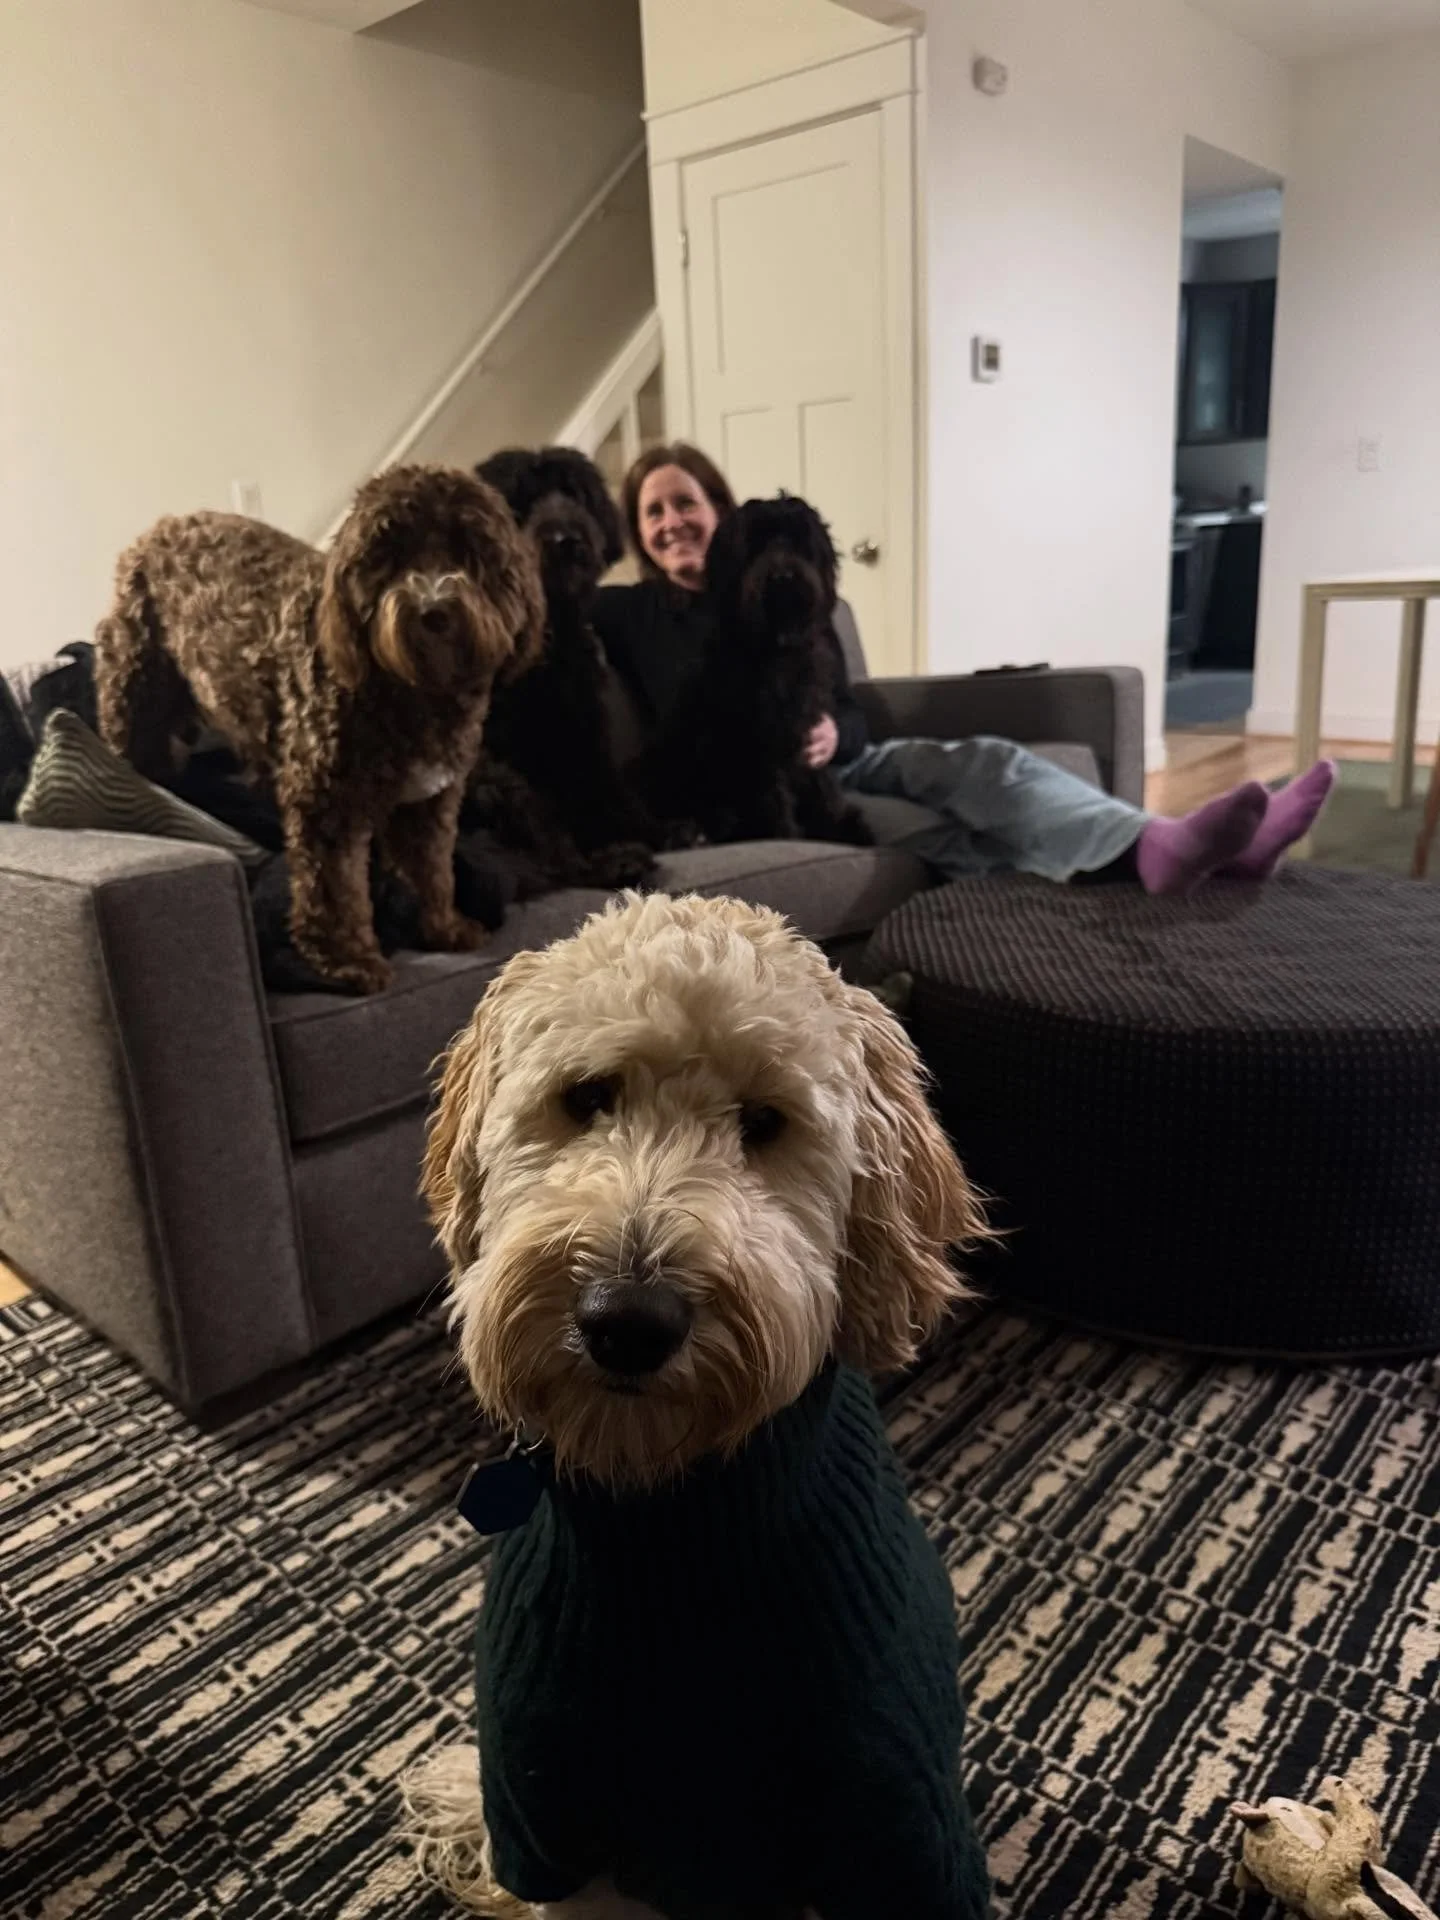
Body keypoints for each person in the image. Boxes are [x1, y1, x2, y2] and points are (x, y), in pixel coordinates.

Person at [591, 444, 1335, 892]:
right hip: (756, 787)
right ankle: (1167, 860)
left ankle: (1169, 842)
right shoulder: (630, 613)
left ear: (718, 509)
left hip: (843, 760)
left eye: (682, 502)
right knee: (945, 840)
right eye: (651, 513)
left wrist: (829, 732)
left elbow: (850, 705)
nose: (669, 523)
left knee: (985, 764)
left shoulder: (792, 589)